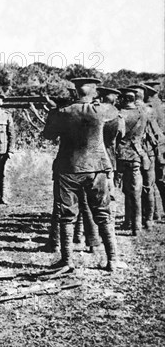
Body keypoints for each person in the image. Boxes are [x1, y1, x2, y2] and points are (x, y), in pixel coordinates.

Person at [43, 77, 121, 271]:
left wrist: (55, 110)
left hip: (68, 168)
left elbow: (48, 135)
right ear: (94, 93)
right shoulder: (103, 110)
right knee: (103, 213)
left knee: (66, 215)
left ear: (75, 92)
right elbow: (114, 118)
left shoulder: (62, 112)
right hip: (97, 168)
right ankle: (112, 260)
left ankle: (67, 260)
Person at [129, 84, 165, 231]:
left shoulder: (127, 111)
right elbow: (158, 134)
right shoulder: (149, 111)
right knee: (148, 187)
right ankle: (149, 220)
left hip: (131, 154)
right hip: (148, 153)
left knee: (131, 188)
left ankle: (132, 221)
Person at [116, 88, 148, 236]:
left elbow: (117, 135)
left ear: (123, 99)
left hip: (120, 156)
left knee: (117, 190)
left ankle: (123, 222)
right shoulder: (142, 114)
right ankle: (136, 226)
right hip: (136, 154)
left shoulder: (120, 114)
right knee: (135, 190)